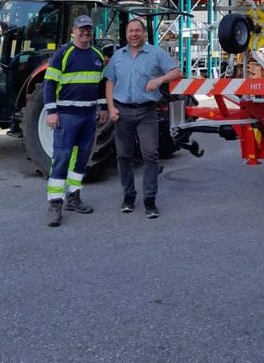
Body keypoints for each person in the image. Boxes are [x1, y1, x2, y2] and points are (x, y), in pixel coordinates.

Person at [104, 18, 183, 219]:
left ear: (144, 33)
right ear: (126, 34)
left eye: (137, 31)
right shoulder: (118, 56)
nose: (134, 34)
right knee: (124, 156)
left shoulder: (156, 53)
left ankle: (149, 199)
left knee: (150, 155)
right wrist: (111, 107)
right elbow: (110, 82)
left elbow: (177, 71)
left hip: (146, 112)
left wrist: (160, 79)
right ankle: (128, 196)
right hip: (122, 112)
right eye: (130, 31)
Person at [43, 15, 108, 227]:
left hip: (88, 116)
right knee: (61, 158)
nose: (85, 32)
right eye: (82, 28)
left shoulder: (97, 55)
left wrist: (103, 107)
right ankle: (55, 203)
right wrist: (51, 111)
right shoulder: (62, 54)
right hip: (66, 116)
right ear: (74, 30)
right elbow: (49, 84)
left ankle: (73, 196)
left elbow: (100, 85)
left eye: (89, 28)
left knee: (81, 159)